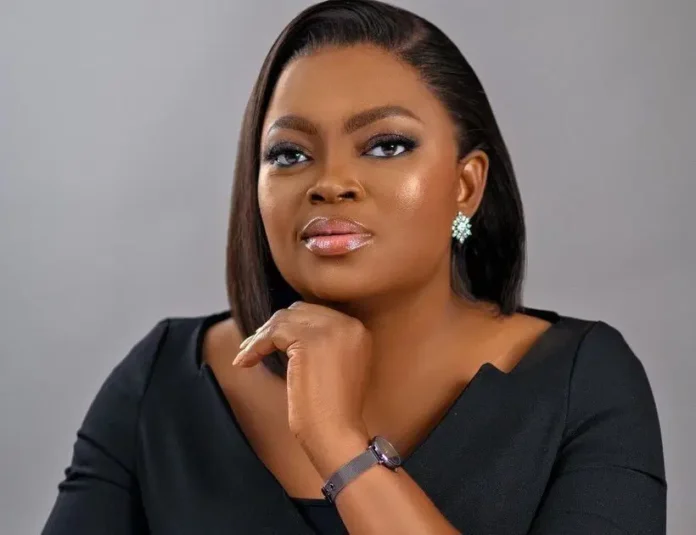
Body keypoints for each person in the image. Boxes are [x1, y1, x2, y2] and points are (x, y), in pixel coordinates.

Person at [42, 1, 666, 533]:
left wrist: (339, 444)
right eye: (290, 154)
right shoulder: (161, 382)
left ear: (467, 186)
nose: (331, 182)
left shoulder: (581, 382)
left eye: (387, 145)